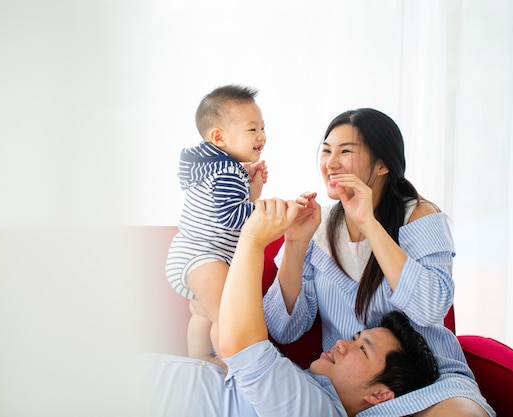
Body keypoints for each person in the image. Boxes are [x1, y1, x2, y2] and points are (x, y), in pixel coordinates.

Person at [263, 108, 495, 417]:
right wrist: (294, 242)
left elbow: (429, 308)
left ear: (383, 164)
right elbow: (283, 329)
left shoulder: (420, 217)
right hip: (355, 393)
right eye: (327, 151)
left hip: (434, 379)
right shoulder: (316, 231)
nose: (331, 163)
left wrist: (368, 223)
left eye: (345, 152)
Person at [141, 198, 440, 417]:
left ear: (379, 395)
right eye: (355, 339)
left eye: (363, 350)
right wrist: (295, 242)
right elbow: (226, 362)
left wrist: (253, 239)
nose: (342, 345)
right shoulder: (309, 388)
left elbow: (240, 345)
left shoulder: (312, 410)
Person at [165, 85, 268, 368]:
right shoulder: (227, 171)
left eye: (262, 128)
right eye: (252, 130)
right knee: (227, 315)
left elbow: (224, 212)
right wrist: (263, 211)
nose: (261, 136)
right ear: (219, 137)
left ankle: (198, 359)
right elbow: (231, 217)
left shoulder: (215, 168)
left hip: (192, 254)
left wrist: (252, 192)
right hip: (203, 256)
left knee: (202, 311)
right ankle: (234, 367)